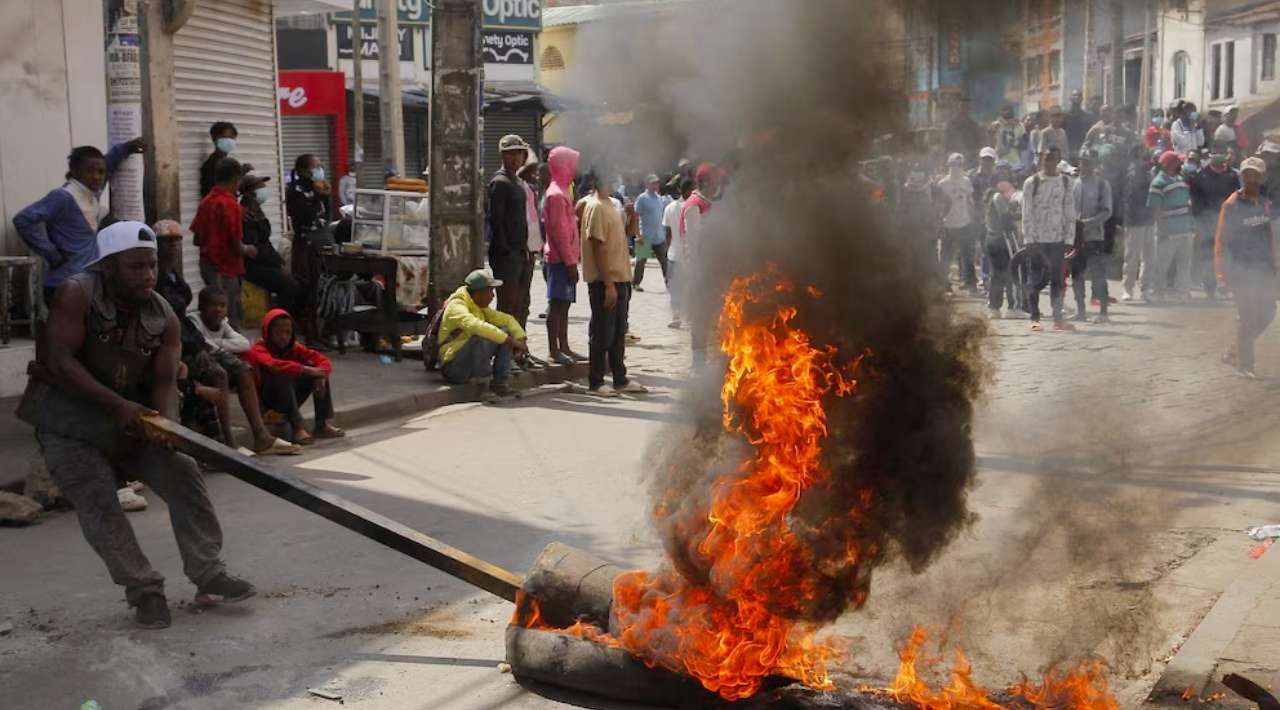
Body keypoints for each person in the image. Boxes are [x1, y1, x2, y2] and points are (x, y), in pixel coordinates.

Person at [16, 221, 256, 628]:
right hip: (67, 421)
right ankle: (144, 591)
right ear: (108, 266)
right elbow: (59, 361)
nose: (147, 275)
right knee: (99, 502)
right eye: (135, 266)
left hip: (127, 418)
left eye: (152, 265)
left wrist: (166, 429)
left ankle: (208, 571)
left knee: (183, 472)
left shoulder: (164, 315)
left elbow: (165, 382)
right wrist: (116, 405)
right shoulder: (77, 293)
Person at [14, 139, 144, 301]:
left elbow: (107, 164)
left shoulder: (91, 193)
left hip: (87, 280)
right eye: (89, 171)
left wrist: (126, 148)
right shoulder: (63, 197)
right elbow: (23, 219)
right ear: (74, 171)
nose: (96, 177)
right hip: (64, 283)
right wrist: (51, 253)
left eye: (100, 172)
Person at [582, 173, 647, 396]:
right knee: (602, 333)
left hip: (621, 278)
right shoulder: (596, 206)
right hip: (605, 281)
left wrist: (632, 219)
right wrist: (608, 284)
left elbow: (624, 237)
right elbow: (598, 247)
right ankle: (596, 380)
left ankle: (620, 378)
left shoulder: (612, 204)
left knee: (619, 332)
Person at [243, 308, 344, 446]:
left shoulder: (294, 348)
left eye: (288, 333)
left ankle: (322, 424)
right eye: (278, 333)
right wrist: (307, 370)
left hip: (290, 397)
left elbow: (322, 360)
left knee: (318, 374)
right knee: (285, 373)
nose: (283, 337)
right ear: (268, 332)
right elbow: (274, 365)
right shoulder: (259, 349)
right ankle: (298, 427)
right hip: (268, 400)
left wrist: (321, 375)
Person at [1216, 158, 1277, 378]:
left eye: (1255, 175)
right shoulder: (1232, 205)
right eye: (1247, 174)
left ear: (1262, 178)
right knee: (1248, 316)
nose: (1251, 179)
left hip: (1263, 269)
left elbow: (1270, 238)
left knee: (1268, 313)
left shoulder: (1264, 204)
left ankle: (1234, 351)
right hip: (1240, 270)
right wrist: (1221, 276)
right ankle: (1246, 364)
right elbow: (1221, 242)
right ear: (1242, 177)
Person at [439, 269, 528, 402]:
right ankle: (481, 387)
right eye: (490, 292)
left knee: (504, 331)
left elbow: (507, 319)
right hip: (453, 368)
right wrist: (511, 341)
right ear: (479, 293)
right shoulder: (457, 306)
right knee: (483, 336)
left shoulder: (477, 306)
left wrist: (520, 338)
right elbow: (476, 326)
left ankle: (500, 385)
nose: (493, 296)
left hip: (468, 364)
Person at [190, 157, 252, 330]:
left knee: (213, 316)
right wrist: (249, 250)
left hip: (208, 266)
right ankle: (233, 352)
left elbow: (197, 239)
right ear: (236, 179)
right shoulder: (230, 205)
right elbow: (236, 245)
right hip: (226, 270)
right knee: (230, 318)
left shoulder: (206, 201)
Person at [1021, 147, 1078, 331]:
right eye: (1046, 159)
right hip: (1037, 240)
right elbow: (1026, 213)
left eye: (1053, 159)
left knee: (1057, 280)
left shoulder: (1066, 182)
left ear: (1057, 160)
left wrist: (1070, 238)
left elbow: (1070, 211)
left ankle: (1057, 319)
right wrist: (1028, 239)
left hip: (1058, 239)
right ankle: (1034, 319)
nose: (1049, 163)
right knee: (1036, 279)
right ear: (1040, 161)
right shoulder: (1032, 182)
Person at [542, 146, 586, 365]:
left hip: (565, 258)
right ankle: (553, 349)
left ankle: (564, 346)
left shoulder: (564, 191)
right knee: (557, 304)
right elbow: (559, 232)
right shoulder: (557, 195)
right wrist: (570, 262)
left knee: (565, 303)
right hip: (559, 259)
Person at [284, 153, 332, 348]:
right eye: (315, 166)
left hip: (321, 241)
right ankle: (308, 334)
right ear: (304, 170)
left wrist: (326, 196)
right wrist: (318, 195)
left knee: (319, 289)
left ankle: (318, 333)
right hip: (305, 244)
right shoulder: (296, 191)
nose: (319, 170)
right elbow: (305, 217)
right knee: (306, 289)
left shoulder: (318, 188)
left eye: (320, 166)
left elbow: (325, 215)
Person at [678, 164, 723, 364]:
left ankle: (710, 359)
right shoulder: (694, 205)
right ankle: (699, 362)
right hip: (700, 270)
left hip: (711, 268)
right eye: (715, 181)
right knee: (701, 316)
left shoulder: (708, 203)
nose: (718, 185)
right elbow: (692, 242)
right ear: (706, 183)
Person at [239, 172, 301, 318]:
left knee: (299, 282)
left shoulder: (258, 212)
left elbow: (265, 243)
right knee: (289, 285)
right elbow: (255, 249)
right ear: (250, 192)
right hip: (252, 266)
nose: (264, 189)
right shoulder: (245, 215)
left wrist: (279, 262)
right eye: (260, 187)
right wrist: (276, 264)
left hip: (266, 262)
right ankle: (277, 320)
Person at [487, 134, 534, 329]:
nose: (515, 158)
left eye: (519, 154)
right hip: (507, 255)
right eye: (510, 154)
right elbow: (496, 221)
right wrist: (507, 251)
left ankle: (518, 350)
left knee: (521, 304)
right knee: (507, 305)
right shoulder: (500, 182)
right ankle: (503, 354)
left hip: (521, 251)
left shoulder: (516, 182)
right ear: (502, 156)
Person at [1070, 151, 1114, 323]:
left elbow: (1107, 211)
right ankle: (1080, 310)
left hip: (1094, 236)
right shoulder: (1074, 184)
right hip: (1075, 238)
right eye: (1083, 162)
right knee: (1076, 274)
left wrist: (1087, 223)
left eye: (1088, 162)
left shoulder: (1102, 184)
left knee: (1098, 274)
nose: (1085, 165)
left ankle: (1103, 312)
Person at [1148, 151, 1196, 303]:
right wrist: (1162, 231)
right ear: (1168, 164)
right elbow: (1155, 211)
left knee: (1185, 264)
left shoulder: (1180, 179)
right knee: (1162, 265)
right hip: (1169, 232)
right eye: (1177, 162)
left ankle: (1183, 292)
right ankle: (1158, 293)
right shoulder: (1158, 183)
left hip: (1185, 230)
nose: (1181, 164)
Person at [1190, 152, 1239, 300]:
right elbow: (1195, 198)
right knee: (1207, 256)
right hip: (1206, 221)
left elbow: (1236, 196)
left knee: (1226, 255)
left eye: (1222, 165)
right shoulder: (1201, 176)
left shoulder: (1231, 175)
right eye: (1217, 165)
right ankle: (1209, 288)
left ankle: (1225, 286)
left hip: (1226, 220)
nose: (1220, 168)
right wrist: (1200, 216)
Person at [936, 152, 978, 294]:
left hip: (964, 223)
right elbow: (939, 204)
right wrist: (940, 222)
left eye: (959, 165)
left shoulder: (966, 181)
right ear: (949, 165)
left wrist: (972, 218)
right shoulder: (942, 183)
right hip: (948, 224)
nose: (956, 167)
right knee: (946, 257)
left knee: (967, 256)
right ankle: (943, 284)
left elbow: (970, 200)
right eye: (953, 164)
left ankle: (970, 284)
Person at [984, 163, 1020, 319]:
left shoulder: (993, 196)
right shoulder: (998, 197)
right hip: (1001, 239)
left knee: (997, 274)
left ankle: (995, 307)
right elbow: (1005, 217)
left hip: (993, 238)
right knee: (1008, 273)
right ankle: (1012, 307)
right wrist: (1019, 215)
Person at [1121, 147, 1157, 301]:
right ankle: (1128, 289)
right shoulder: (1131, 173)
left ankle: (1146, 288)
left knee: (1149, 257)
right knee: (1132, 256)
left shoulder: (1150, 172)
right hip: (1135, 220)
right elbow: (1128, 197)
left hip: (1149, 219)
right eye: (1142, 154)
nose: (1145, 158)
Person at [664, 177, 695, 329]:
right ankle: (688, 317)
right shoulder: (694, 207)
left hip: (673, 254)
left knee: (675, 287)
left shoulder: (669, 208)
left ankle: (676, 316)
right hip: (689, 255)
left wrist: (666, 252)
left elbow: (668, 234)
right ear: (689, 191)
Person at [632, 174, 672, 291]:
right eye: (654, 183)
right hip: (645, 235)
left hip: (659, 236)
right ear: (647, 184)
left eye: (657, 183)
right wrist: (637, 234)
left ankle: (670, 284)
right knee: (640, 261)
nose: (656, 185)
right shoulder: (642, 198)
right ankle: (635, 283)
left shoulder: (659, 198)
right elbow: (636, 216)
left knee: (664, 261)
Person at [199, 121, 238, 198]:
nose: (228, 141)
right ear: (214, 139)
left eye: (231, 138)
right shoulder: (212, 164)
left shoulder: (226, 162)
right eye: (224, 137)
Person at [1063, 90, 1095, 160]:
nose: (1077, 97)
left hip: (1081, 151)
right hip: (1067, 152)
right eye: (1074, 95)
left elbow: (1091, 135)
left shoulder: (1087, 116)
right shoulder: (1064, 116)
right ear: (1070, 98)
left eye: (1079, 95)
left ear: (1082, 99)